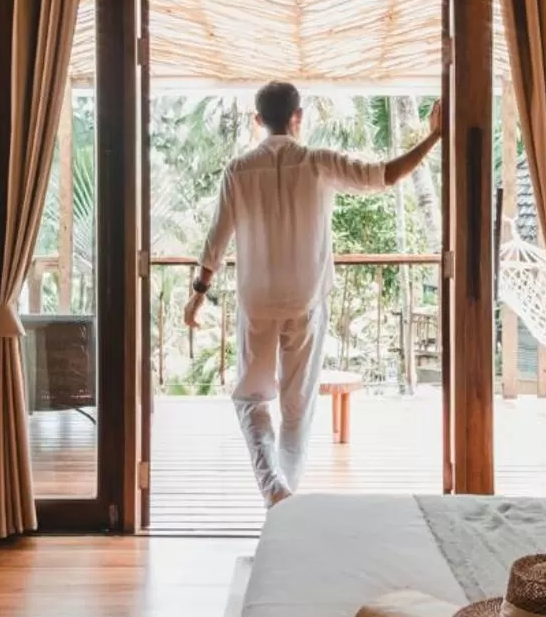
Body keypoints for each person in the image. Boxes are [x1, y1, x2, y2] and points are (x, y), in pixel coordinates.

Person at [185, 81, 445, 505]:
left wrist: (198, 293)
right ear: (298, 116)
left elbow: (216, 239)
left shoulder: (238, 170)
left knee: (250, 398)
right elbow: (386, 175)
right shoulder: (318, 163)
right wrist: (433, 137)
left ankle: (275, 489)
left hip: (257, 302)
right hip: (305, 302)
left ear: (258, 121)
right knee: (296, 407)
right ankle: (284, 495)